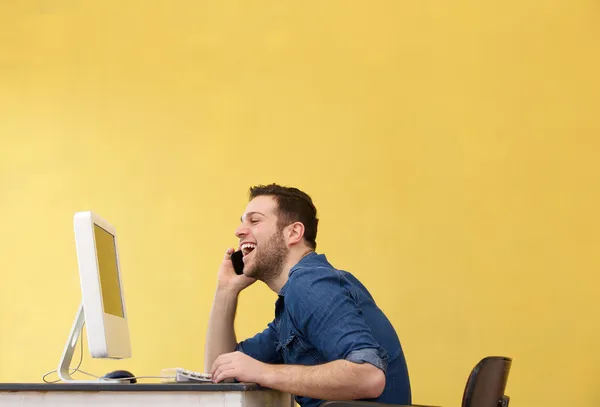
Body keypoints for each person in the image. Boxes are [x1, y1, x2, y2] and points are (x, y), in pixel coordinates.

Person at [204, 184, 411, 407]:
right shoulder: (290, 309)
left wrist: (264, 373)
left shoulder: (309, 284)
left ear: (293, 233)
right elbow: (221, 372)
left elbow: (369, 376)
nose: (239, 231)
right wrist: (226, 291)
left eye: (254, 221)